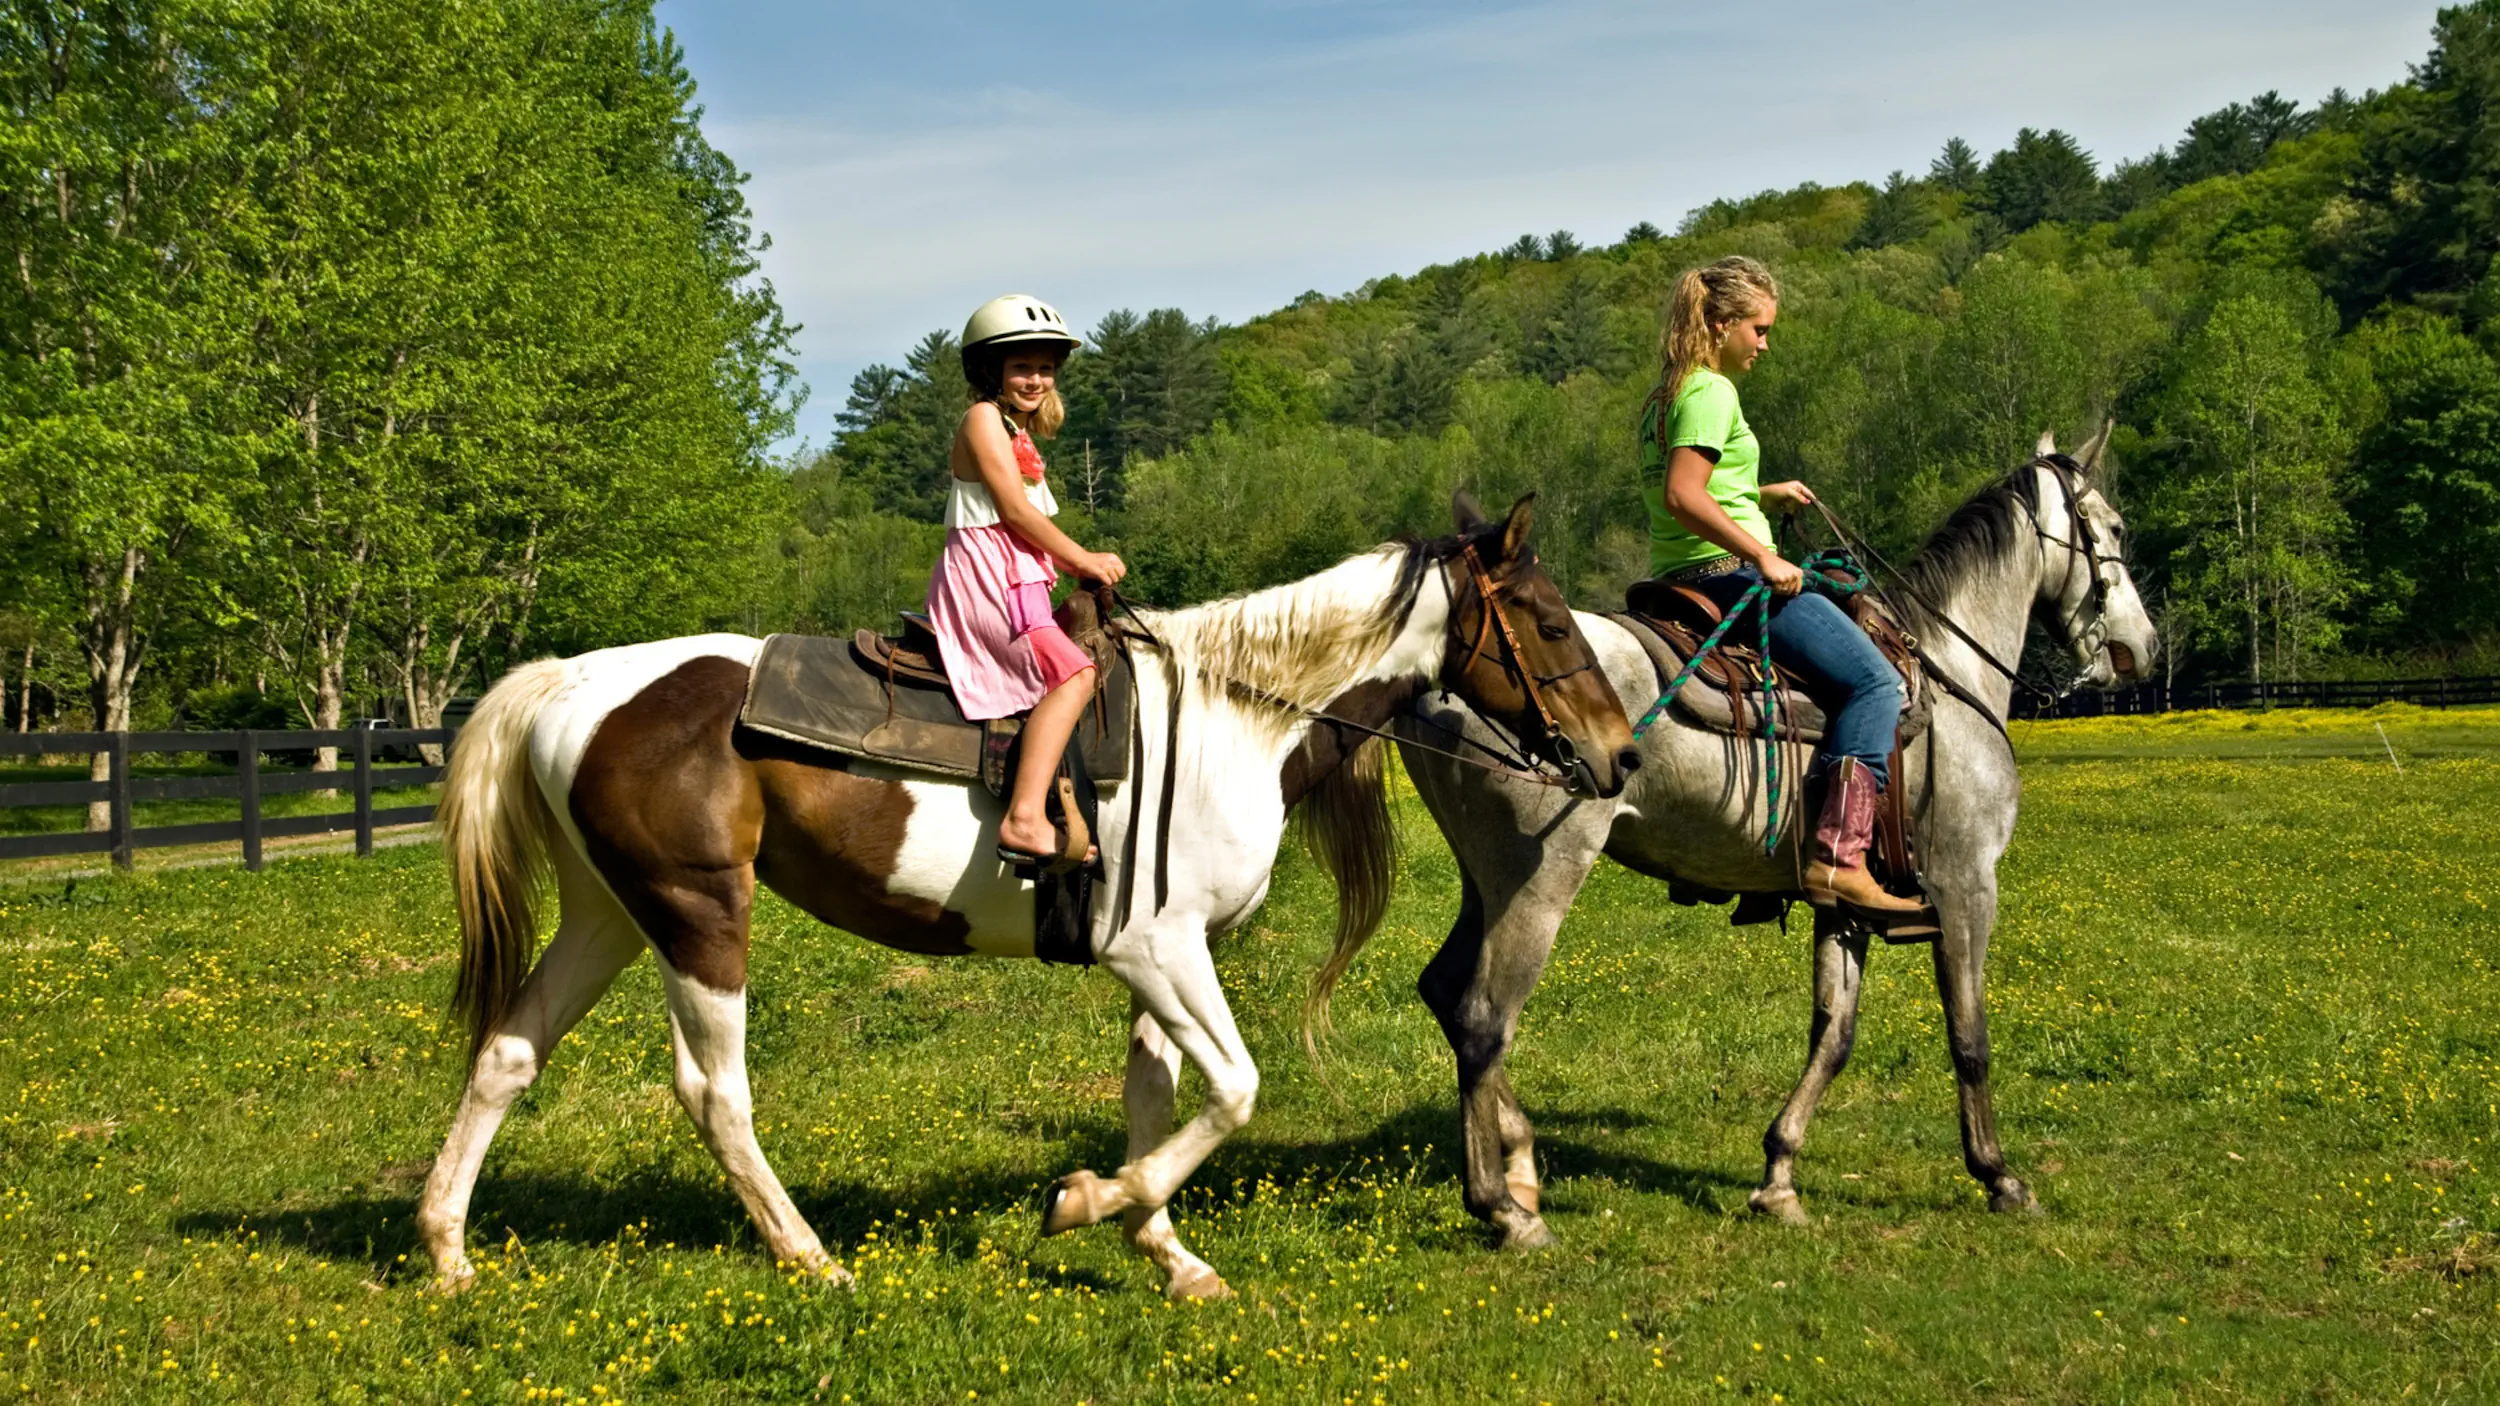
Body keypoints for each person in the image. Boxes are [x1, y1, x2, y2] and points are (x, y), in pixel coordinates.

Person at [1636, 256, 1924, 920]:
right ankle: (1841, 858)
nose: (1765, 344)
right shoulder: (1712, 393)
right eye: (1758, 329)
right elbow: (1685, 495)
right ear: (1719, 323)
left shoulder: (1665, 394)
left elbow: (1686, 490)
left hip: (1676, 576)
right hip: (1727, 574)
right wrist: (1763, 553)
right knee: (1878, 682)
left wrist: (1763, 494)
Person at [925, 294, 1128, 871]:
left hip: (1017, 581)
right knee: (1074, 675)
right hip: (989, 581)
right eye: (1021, 367)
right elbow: (1014, 513)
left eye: (1044, 368)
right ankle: (1024, 817)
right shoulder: (982, 419)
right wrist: (1081, 559)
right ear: (991, 372)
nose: (1035, 378)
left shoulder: (1018, 430)